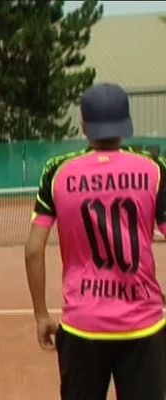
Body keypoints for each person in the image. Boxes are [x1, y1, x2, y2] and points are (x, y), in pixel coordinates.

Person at [25, 83, 166, 400]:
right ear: (126, 124)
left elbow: (34, 251)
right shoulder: (154, 168)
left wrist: (41, 316)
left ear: (84, 124)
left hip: (82, 326)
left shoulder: (57, 172)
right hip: (143, 325)